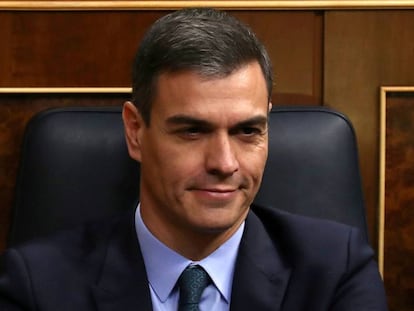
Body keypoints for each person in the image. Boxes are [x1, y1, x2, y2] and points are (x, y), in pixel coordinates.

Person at [0, 7, 387, 311]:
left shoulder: (336, 270)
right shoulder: (38, 284)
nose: (224, 162)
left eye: (247, 131)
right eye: (192, 131)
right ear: (135, 131)